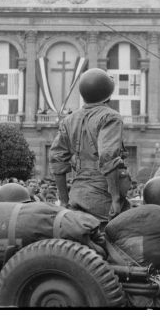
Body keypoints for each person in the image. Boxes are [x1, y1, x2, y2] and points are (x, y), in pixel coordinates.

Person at [49, 68, 129, 224]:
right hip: (102, 196)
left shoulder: (68, 120)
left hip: (76, 196)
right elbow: (107, 156)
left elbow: (56, 159)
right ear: (108, 93)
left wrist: (64, 201)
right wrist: (115, 198)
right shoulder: (111, 117)